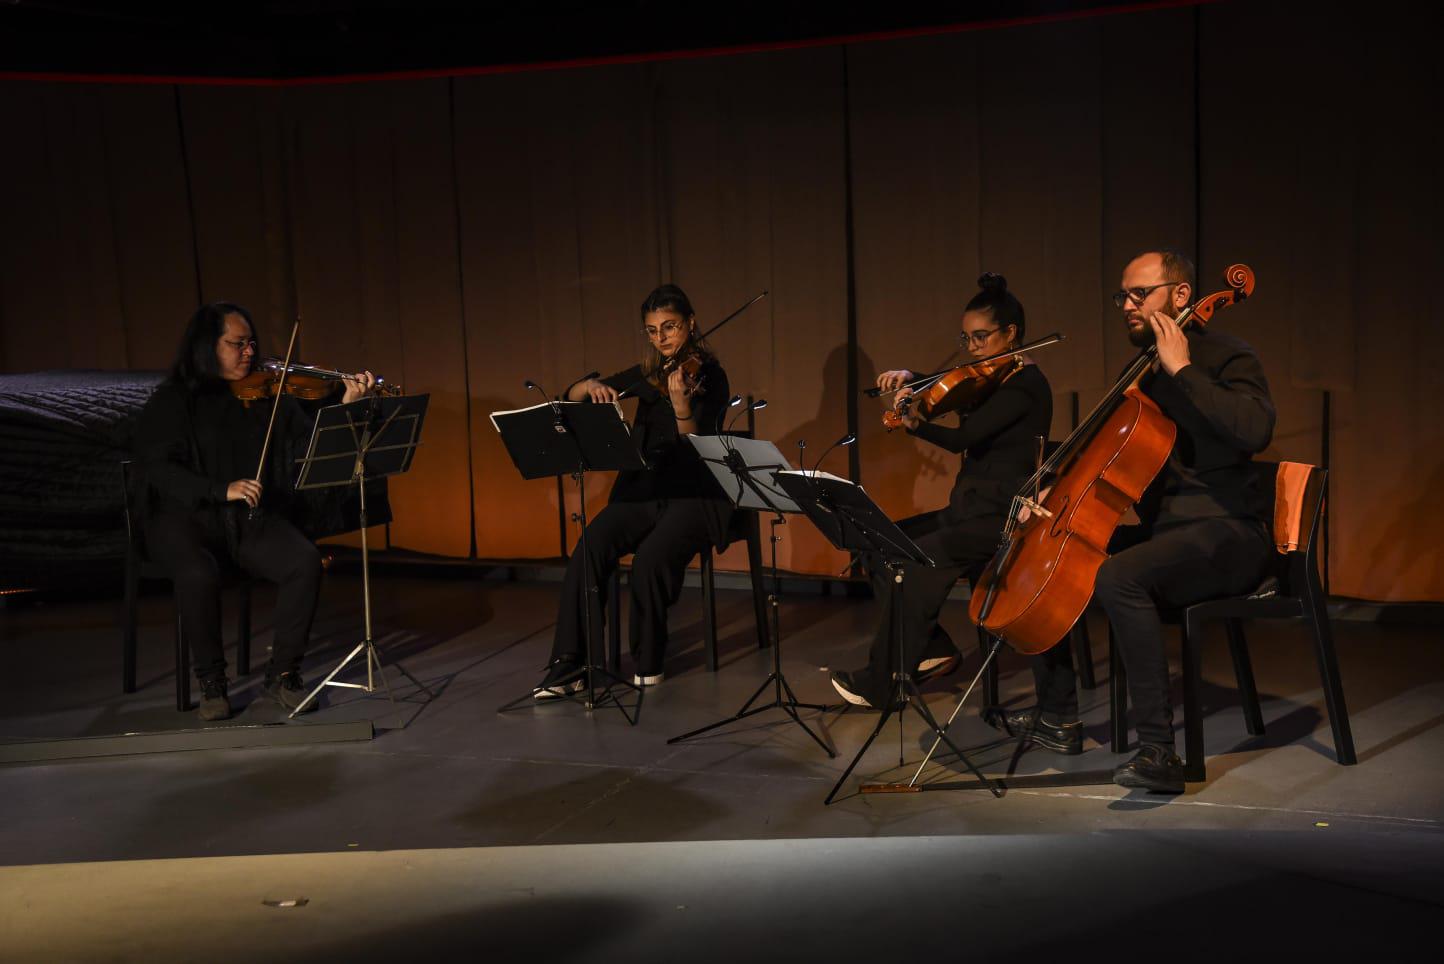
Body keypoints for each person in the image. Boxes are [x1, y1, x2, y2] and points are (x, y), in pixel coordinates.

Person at [992, 249, 1276, 793]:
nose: (1126, 305)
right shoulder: (1141, 370)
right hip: (1170, 530)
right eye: (1121, 295)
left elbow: (1254, 430)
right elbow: (1106, 454)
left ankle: (1159, 753)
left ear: (1181, 294)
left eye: (1138, 294)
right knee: (1054, 556)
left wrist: (1184, 369)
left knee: (1121, 575)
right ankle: (1059, 715)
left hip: (1229, 530)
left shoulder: (1224, 356)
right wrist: (1055, 488)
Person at [133, 303, 377, 721]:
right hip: (185, 519)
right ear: (206, 347)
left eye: (251, 344)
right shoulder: (173, 399)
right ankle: (212, 681)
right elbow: (158, 468)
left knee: (303, 560)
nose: (249, 353)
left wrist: (345, 405)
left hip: (246, 519)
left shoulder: (267, 392)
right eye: (236, 344)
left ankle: (283, 676)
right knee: (197, 572)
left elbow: (307, 434)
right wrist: (217, 488)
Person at [830, 273, 1053, 710]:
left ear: (1011, 334)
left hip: (1002, 517)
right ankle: (932, 649)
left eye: (982, 338)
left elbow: (962, 438)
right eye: (966, 338)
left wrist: (918, 425)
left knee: (916, 563)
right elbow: (960, 384)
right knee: (880, 545)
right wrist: (913, 377)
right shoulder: (990, 378)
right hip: (969, 508)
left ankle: (883, 681)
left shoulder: (1025, 386)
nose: (972, 349)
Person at [534, 284, 734, 699]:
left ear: (690, 324)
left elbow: (700, 448)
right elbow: (571, 395)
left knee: (650, 559)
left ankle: (648, 657)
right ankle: (571, 662)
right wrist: (590, 389)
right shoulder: (649, 374)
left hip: (695, 492)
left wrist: (681, 408)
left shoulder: (710, 376)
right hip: (644, 488)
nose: (661, 338)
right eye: (652, 330)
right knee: (590, 545)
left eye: (670, 327)